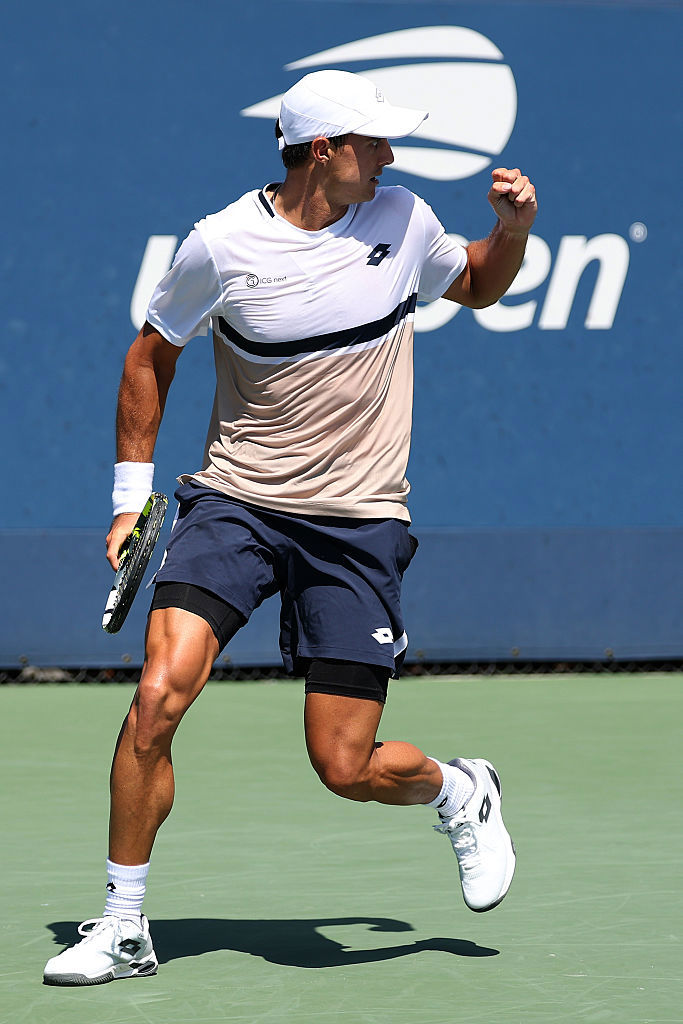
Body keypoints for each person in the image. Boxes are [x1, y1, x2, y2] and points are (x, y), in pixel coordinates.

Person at [44, 69, 536, 986]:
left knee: (343, 765)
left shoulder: (404, 219)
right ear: (323, 153)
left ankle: (459, 789)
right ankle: (121, 924)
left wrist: (509, 234)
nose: (390, 157)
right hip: (236, 502)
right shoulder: (220, 246)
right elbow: (150, 357)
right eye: (373, 142)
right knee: (156, 698)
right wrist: (127, 495)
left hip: (356, 522)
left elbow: (475, 286)